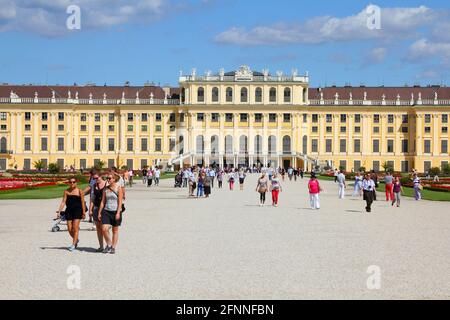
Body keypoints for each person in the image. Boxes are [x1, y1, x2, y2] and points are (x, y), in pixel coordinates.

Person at [57, 178, 86, 252]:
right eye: (71, 182)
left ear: (76, 183)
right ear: (69, 183)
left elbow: (83, 202)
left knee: (75, 228)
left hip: (78, 211)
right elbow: (63, 202)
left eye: (74, 182)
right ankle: (76, 239)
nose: (72, 183)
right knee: (70, 229)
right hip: (69, 211)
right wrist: (59, 211)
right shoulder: (66, 191)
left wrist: (84, 212)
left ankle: (73, 245)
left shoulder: (80, 191)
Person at [98, 173, 124, 254]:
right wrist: (99, 212)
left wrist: (118, 213)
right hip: (106, 210)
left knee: (115, 230)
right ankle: (109, 244)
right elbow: (103, 201)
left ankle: (113, 247)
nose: (108, 180)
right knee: (104, 229)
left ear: (114, 179)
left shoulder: (118, 188)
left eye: (109, 178)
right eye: (107, 178)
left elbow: (120, 201)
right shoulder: (105, 189)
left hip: (115, 211)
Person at [90, 174, 106, 252]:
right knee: (98, 228)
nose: (96, 179)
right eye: (94, 178)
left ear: (101, 176)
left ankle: (109, 245)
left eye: (97, 178)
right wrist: (90, 209)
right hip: (96, 208)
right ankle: (101, 246)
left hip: (105, 208)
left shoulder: (107, 184)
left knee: (104, 228)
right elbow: (92, 198)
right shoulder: (94, 186)